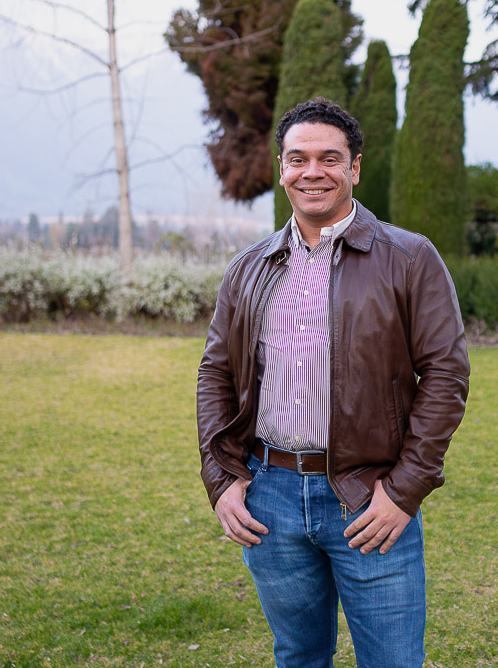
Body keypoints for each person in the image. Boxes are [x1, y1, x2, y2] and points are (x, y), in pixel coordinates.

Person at [196, 97, 470, 668]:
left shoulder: (408, 257)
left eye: (329, 158)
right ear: (281, 169)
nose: (312, 172)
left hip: (369, 498)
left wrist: (404, 490)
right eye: (298, 159)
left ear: (355, 168)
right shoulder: (250, 267)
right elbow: (215, 373)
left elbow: (446, 374)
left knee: (392, 662)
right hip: (270, 498)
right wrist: (222, 478)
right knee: (299, 657)